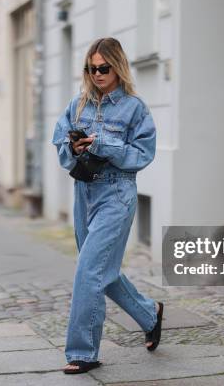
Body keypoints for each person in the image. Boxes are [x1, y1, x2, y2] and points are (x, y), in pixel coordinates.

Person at [51, 37, 164, 375]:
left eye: (103, 68)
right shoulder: (78, 104)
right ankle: (149, 314)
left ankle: (82, 352)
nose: (96, 74)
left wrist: (101, 144)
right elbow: (58, 140)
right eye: (91, 68)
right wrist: (74, 148)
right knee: (102, 272)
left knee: (88, 271)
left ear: (117, 67)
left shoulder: (134, 108)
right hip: (84, 193)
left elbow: (142, 155)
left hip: (116, 194)